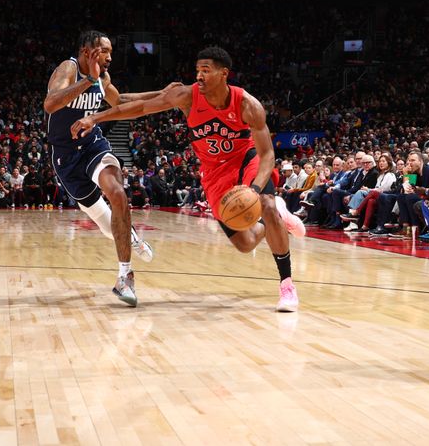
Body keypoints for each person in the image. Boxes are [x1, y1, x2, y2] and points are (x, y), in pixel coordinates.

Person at [72, 46, 306, 312]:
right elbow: (140, 107)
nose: (199, 76)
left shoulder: (247, 104)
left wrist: (253, 189)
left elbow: (267, 155)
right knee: (245, 243)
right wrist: (96, 117)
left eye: (206, 70)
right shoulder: (187, 97)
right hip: (214, 173)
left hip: (245, 161)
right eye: (197, 70)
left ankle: (287, 284)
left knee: (266, 202)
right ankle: (278, 217)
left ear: (223, 73)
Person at [45, 30, 170, 306]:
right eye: (105, 51)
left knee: (117, 193)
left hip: (93, 145)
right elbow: (51, 103)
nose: (110, 57)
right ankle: (132, 235)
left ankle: (124, 278)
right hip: (65, 156)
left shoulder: (102, 76)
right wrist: (86, 80)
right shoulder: (69, 68)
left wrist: (162, 93)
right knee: (105, 222)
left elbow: (120, 102)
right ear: (88, 51)